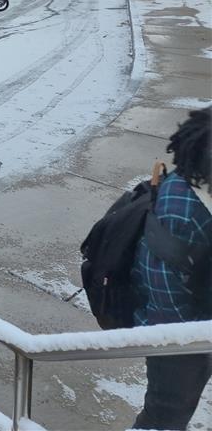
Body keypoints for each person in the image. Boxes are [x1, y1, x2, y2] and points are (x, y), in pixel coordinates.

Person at [131, 107, 211, 430]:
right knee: (164, 417)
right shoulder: (182, 212)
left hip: (201, 319)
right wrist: (199, 346)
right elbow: (166, 304)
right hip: (180, 342)